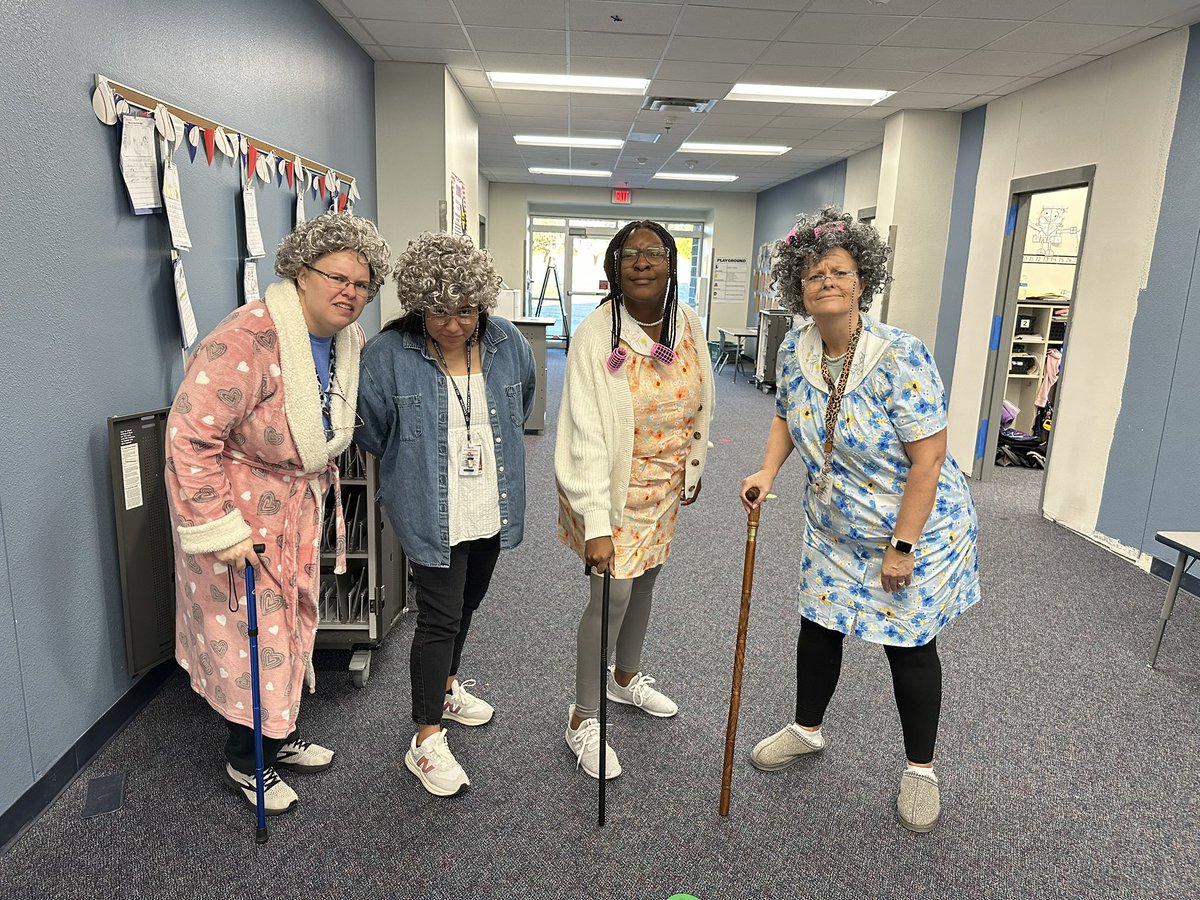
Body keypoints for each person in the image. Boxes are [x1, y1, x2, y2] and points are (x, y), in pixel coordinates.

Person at [739, 206, 981, 833]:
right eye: (815, 272)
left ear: (862, 281)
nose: (827, 282)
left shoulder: (900, 356)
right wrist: (768, 472)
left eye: (840, 271)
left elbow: (928, 461)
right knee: (819, 626)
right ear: (799, 285)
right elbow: (783, 417)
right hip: (833, 523)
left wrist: (902, 546)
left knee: (907, 645)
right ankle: (807, 729)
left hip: (911, 524)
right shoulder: (794, 347)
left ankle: (921, 770)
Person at [165, 211, 391, 815]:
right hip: (239, 515)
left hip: (295, 506)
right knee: (252, 635)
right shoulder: (249, 336)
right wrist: (220, 525)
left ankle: (278, 732)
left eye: (362, 284)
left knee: (292, 623)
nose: (349, 292)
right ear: (299, 272)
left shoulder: (348, 340)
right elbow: (189, 434)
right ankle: (246, 759)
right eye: (336, 277)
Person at [356, 231, 536, 797]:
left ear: (483, 303)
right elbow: (374, 430)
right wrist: (416, 468)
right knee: (438, 616)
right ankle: (426, 737)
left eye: (465, 311)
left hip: (491, 502)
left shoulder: (507, 343)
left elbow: (522, 402)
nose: (453, 325)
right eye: (438, 311)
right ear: (417, 303)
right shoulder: (389, 354)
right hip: (430, 508)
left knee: (467, 603)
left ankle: (448, 686)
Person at [556, 220, 715, 779]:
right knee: (611, 597)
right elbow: (584, 434)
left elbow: (703, 402)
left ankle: (624, 679)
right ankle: (582, 716)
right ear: (614, 265)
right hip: (610, 487)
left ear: (672, 264)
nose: (642, 261)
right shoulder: (597, 334)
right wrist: (595, 519)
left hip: (663, 486)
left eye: (654, 253)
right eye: (630, 253)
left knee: (645, 582)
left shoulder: (687, 323)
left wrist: (692, 465)